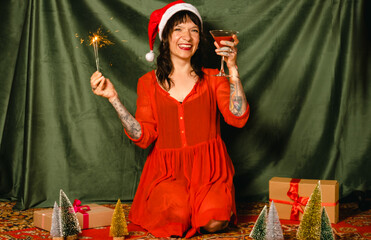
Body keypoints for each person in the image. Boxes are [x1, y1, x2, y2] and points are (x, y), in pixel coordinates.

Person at [90, 0, 250, 238]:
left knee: (214, 221)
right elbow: (143, 136)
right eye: (179, 29)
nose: (187, 36)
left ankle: (200, 210)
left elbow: (237, 118)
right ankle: (183, 210)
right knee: (175, 218)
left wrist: (233, 70)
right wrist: (113, 98)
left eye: (194, 30)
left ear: (199, 39)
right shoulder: (147, 83)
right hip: (168, 174)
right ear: (165, 37)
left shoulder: (214, 78)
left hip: (210, 171)